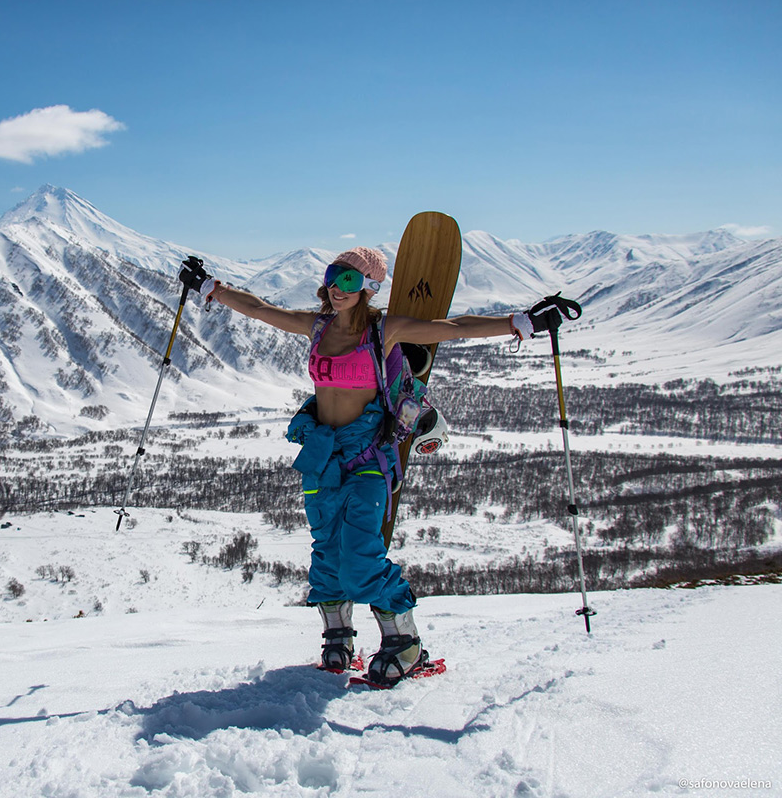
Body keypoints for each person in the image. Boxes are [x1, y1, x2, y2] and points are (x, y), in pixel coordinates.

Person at [199, 246, 571, 685]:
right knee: (326, 550)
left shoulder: (383, 330)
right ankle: (337, 638)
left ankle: (405, 643)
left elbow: (452, 328)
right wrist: (211, 288)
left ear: (369, 288)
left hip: (367, 456)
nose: (337, 289)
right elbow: (260, 309)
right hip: (323, 453)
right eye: (334, 277)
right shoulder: (317, 326)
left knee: (359, 559)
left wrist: (518, 323)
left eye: (350, 281)